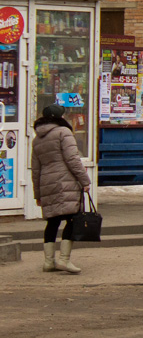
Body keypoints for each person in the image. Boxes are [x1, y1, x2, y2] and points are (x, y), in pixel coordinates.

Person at [31, 104, 90, 274]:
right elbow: (73, 159)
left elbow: (35, 169)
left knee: (53, 221)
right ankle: (64, 260)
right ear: (59, 117)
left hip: (47, 183)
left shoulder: (37, 139)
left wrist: (38, 194)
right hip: (65, 183)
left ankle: (49, 262)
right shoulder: (64, 133)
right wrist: (84, 180)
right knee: (72, 219)